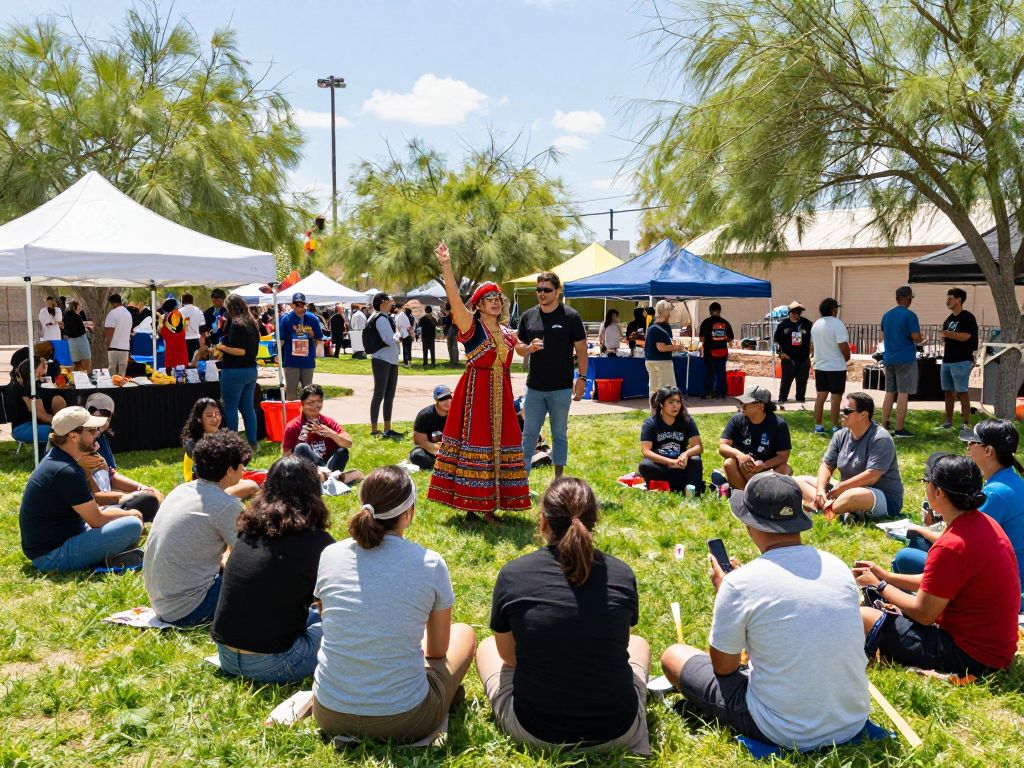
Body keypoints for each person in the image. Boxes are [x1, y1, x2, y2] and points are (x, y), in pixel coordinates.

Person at [660, 473, 870, 752]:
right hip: (851, 718)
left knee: (673, 656)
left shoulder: (740, 584)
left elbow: (725, 668)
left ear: (749, 524)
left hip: (782, 729)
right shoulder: (838, 566)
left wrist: (726, 593)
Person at [476, 477, 651, 755]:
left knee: (486, 647)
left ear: (543, 522)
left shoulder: (513, 574)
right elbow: (620, 644)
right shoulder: (621, 573)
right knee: (640, 644)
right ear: (595, 521)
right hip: (618, 730)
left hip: (537, 732)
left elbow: (509, 658)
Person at [313, 466, 477, 743]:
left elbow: (329, 620)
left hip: (330, 712)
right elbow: (437, 651)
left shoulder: (331, 554)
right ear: (407, 513)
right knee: (465, 634)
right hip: (404, 719)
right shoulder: (430, 563)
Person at [855, 454, 1020, 677]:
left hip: (971, 657)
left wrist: (881, 585)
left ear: (939, 492)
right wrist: (886, 576)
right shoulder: (983, 522)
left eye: (927, 482)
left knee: (865, 616)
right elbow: (935, 584)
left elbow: (924, 614)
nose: (926, 487)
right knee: (883, 604)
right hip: (996, 650)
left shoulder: (952, 545)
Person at [427, 242, 531, 520]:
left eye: (498, 297)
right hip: (476, 395)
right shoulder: (472, 328)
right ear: (479, 306)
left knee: (502, 445)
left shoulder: (508, 331)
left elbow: (516, 348)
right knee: (478, 444)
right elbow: (455, 299)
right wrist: (446, 266)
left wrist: (528, 349)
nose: (496, 301)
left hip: (502, 393)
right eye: (490, 298)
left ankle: (493, 502)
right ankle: (475, 503)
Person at [211, 456, 335, 683]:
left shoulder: (249, 530)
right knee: (339, 626)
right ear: (313, 492)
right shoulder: (318, 542)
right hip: (276, 662)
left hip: (225, 655)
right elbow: (334, 608)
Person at [892, 421, 1024, 608]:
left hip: (1002, 589)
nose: (967, 446)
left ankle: (915, 606)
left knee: (904, 556)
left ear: (988, 451)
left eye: (972, 442)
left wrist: (920, 529)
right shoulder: (1011, 481)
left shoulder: (995, 494)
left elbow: (960, 541)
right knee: (918, 543)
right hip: (1008, 579)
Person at [143, 431, 250, 627]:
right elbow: (252, 558)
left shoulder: (181, 491)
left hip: (162, 603)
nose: (244, 469)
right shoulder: (226, 504)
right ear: (229, 471)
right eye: (242, 464)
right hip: (189, 609)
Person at [19, 407, 144, 572]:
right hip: (52, 556)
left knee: (119, 514)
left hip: (62, 539)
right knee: (132, 524)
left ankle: (109, 557)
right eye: (92, 430)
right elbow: (96, 519)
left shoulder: (59, 459)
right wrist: (131, 514)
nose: (97, 433)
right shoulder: (65, 470)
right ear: (73, 435)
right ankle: (105, 560)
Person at [515, 272, 588, 478]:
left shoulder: (570, 316)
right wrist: (529, 348)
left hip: (561, 388)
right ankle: (522, 481)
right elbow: (518, 347)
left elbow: (581, 349)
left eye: (546, 290)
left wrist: (582, 378)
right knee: (529, 434)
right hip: (535, 388)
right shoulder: (528, 316)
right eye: (539, 289)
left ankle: (558, 480)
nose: (542, 293)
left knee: (559, 434)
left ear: (557, 291)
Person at [795, 391, 903, 523]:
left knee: (853, 496)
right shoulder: (840, 435)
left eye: (847, 411)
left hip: (880, 496)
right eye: (842, 410)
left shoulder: (880, 438)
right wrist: (821, 490)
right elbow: (827, 465)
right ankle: (833, 508)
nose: (841, 414)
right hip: (844, 490)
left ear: (863, 415)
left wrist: (841, 488)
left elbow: (872, 476)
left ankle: (826, 511)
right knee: (798, 481)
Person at [80, 392, 162, 521]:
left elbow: (111, 475)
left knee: (151, 496)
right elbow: (96, 497)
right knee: (148, 501)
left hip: (107, 501)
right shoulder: (75, 460)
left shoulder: (94, 447)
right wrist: (125, 497)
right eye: (92, 429)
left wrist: (141, 488)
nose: (97, 432)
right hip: (96, 512)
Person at [179, 397, 260, 500]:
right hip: (204, 487)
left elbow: (243, 456)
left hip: (227, 479)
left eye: (218, 414)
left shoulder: (223, 435)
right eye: (209, 415)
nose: (215, 419)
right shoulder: (191, 442)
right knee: (252, 485)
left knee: (262, 476)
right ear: (199, 418)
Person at [283, 384, 364, 484]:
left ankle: (326, 478)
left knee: (342, 451)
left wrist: (331, 433)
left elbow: (349, 443)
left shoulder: (328, 422)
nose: (315, 406)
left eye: (319, 402)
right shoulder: (293, 426)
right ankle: (333, 478)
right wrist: (301, 440)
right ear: (302, 403)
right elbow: (285, 458)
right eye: (311, 402)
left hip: (329, 465)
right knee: (301, 447)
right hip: (309, 470)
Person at [718, 386, 792, 490]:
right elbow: (722, 446)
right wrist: (740, 456)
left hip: (767, 469)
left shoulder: (778, 424)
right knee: (729, 463)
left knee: (785, 469)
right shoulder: (736, 420)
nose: (742, 406)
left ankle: (767, 494)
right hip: (743, 467)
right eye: (741, 402)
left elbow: (783, 456)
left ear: (761, 406)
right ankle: (745, 496)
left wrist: (763, 466)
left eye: (746, 403)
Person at [638, 385, 704, 494]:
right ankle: (679, 486)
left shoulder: (687, 420)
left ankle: (688, 490)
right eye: (671, 402)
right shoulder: (650, 423)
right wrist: (669, 462)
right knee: (645, 465)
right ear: (661, 404)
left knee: (696, 460)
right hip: (661, 466)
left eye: (678, 402)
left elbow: (698, 447)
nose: (676, 406)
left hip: (682, 465)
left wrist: (686, 454)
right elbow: (646, 451)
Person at [215, 293, 260, 447]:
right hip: (250, 370)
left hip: (234, 371)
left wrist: (221, 347)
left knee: (230, 407)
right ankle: (252, 442)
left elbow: (240, 351)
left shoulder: (237, 324)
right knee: (247, 407)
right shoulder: (252, 322)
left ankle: (233, 443)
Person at [880, 285, 923, 437]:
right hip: (905, 358)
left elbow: (884, 335)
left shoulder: (887, 315)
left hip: (889, 357)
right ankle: (899, 428)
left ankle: (884, 425)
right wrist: (922, 338)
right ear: (908, 298)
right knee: (903, 393)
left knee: (889, 392)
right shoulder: (910, 315)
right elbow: (916, 337)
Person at [6, 357, 67, 448]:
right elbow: (41, 415)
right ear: (28, 371)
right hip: (22, 428)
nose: (38, 377)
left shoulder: (24, 384)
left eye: (40, 375)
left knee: (63, 430)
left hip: (31, 425)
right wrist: (65, 424)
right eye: (36, 373)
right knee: (61, 433)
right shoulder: (24, 387)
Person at [810, 297, 850, 434]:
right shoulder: (838, 324)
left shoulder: (816, 325)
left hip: (820, 365)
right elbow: (843, 345)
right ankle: (834, 426)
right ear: (833, 310)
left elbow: (812, 346)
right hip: (836, 367)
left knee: (820, 396)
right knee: (835, 397)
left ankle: (818, 426)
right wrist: (847, 357)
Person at [939, 288, 978, 430]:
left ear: (959, 300)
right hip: (947, 360)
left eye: (950, 298)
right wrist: (944, 336)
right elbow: (944, 336)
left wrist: (947, 334)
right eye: (947, 298)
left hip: (962, 360)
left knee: (962, 392)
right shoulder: (948, 319)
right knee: (948, 392)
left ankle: (965, 423)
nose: (947, 301)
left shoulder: (967, 317)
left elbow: (965, 336)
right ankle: (948, 422)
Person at [367, 292, 403, 439]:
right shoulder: (380, 318)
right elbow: (389, 339)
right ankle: (375, 429)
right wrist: (399, 336)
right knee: (380, 394)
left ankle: (387, 428)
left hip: (389, 359)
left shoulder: (384, 317)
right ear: (382, 302)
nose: (391, 303)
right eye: (389, 300)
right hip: (382, 359)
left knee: (389, 395)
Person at [279, 291, 324, 400]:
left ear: (305, 304)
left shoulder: (313, 318)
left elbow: (319, 337)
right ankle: (293, 416)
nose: (300, 307)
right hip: (291, 361)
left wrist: (312, 334)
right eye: (297, 304)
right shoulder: (286, 319)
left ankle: (306, 416)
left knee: (308, 393)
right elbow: (281, 339)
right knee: (290, 393)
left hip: (307, 361)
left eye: (302, 304)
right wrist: (277, 354)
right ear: (292, 304)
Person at [643, 300, 682, 411]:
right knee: (666, 390)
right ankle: (663, 414)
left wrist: (672, 346)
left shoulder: (656, 325)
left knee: (655, 390)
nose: (670, 313)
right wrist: (677, 347)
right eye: (669, 310)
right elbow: (661, 347)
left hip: (653, 361)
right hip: (660, 362)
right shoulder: (659, 328)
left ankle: (655, 413)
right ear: (665, 312)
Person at [773, 301, 813, 405]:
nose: (797, 314)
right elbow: (776, 340)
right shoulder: (783, 325)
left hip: (803, 358)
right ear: (790, 312)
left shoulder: (807, 324)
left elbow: (813, 339)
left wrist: (812, 350)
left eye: (799, 312)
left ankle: (800, 399)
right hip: (788, 358)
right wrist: (780, 353)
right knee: (786, 381)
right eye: (794, 312)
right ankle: (782, 398)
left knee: (802, 381)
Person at [410, 385, 452, 470]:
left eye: (449, 397)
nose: (447, 402)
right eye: (443, 399)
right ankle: (441, 464)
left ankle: (443, 464)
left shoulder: (455, 415)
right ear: (436, 400)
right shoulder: (425, 415)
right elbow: (420, 441)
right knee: (417, 455)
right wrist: (441, 451)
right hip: (429, 449)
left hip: (450, 449)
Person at [699, 302, 734, 399]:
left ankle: (709, 393)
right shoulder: (725, 322)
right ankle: (722, 392)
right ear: (720, 311)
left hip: (710, 352)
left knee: (710, 373)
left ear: (710, 311)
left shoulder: (706, 322)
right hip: (722, 352)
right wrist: (722, 338)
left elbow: (702, 338)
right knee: (721, 373)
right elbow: (730, 338)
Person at [104, 293, 133, 376]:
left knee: (112, 373)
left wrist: (108, 344)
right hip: (125, 347)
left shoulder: (112, 313)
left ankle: (112, 389)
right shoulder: (128, 314)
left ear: (112, 303)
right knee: (122, 374)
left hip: (113, 347)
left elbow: (110, 330)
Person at [159, 298, 189, 370]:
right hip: (180, 353)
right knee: (181, 378)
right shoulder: (184, 319)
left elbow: (162, 333)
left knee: (170, 378)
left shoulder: (163, 322)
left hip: (170, 354)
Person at [64, 299, 91, 371]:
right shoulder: (77, 316)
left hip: (72, 342)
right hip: (81, 340)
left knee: (76, 364)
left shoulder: (66, 316)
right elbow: (81, 329)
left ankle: (74, 379)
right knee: (86, 363)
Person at [179, 293, 207, 362]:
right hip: (196, 342)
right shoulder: (199, 311)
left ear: (182, 301)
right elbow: (203, 330)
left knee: (184, 363)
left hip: (182, 342)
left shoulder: (178, 312)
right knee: (195, 364)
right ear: (192, 301)